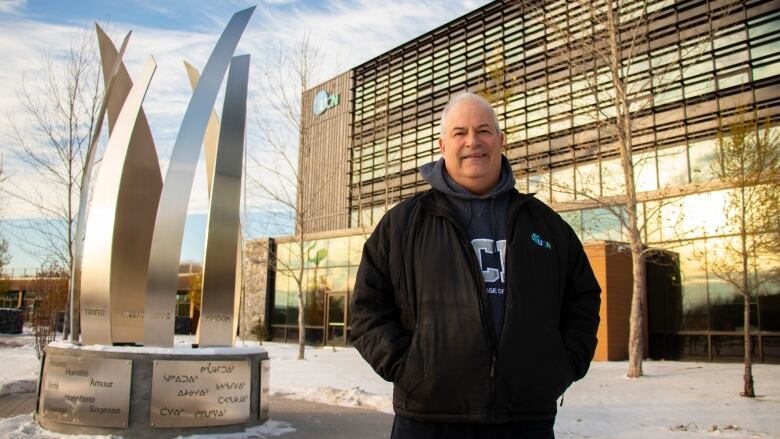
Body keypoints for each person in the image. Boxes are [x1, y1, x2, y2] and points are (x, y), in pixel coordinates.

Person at [350, 92, 601, 439]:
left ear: (500, 140)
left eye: (484, 131)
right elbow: (367, 309)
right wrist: (410, 369)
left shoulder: (545, 225)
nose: (473, 142)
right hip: (427, 420)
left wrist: (560, 366)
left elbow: (583, 298)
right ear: (442, 144)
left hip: (525, 420)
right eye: (460, 132)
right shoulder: (402, 225)